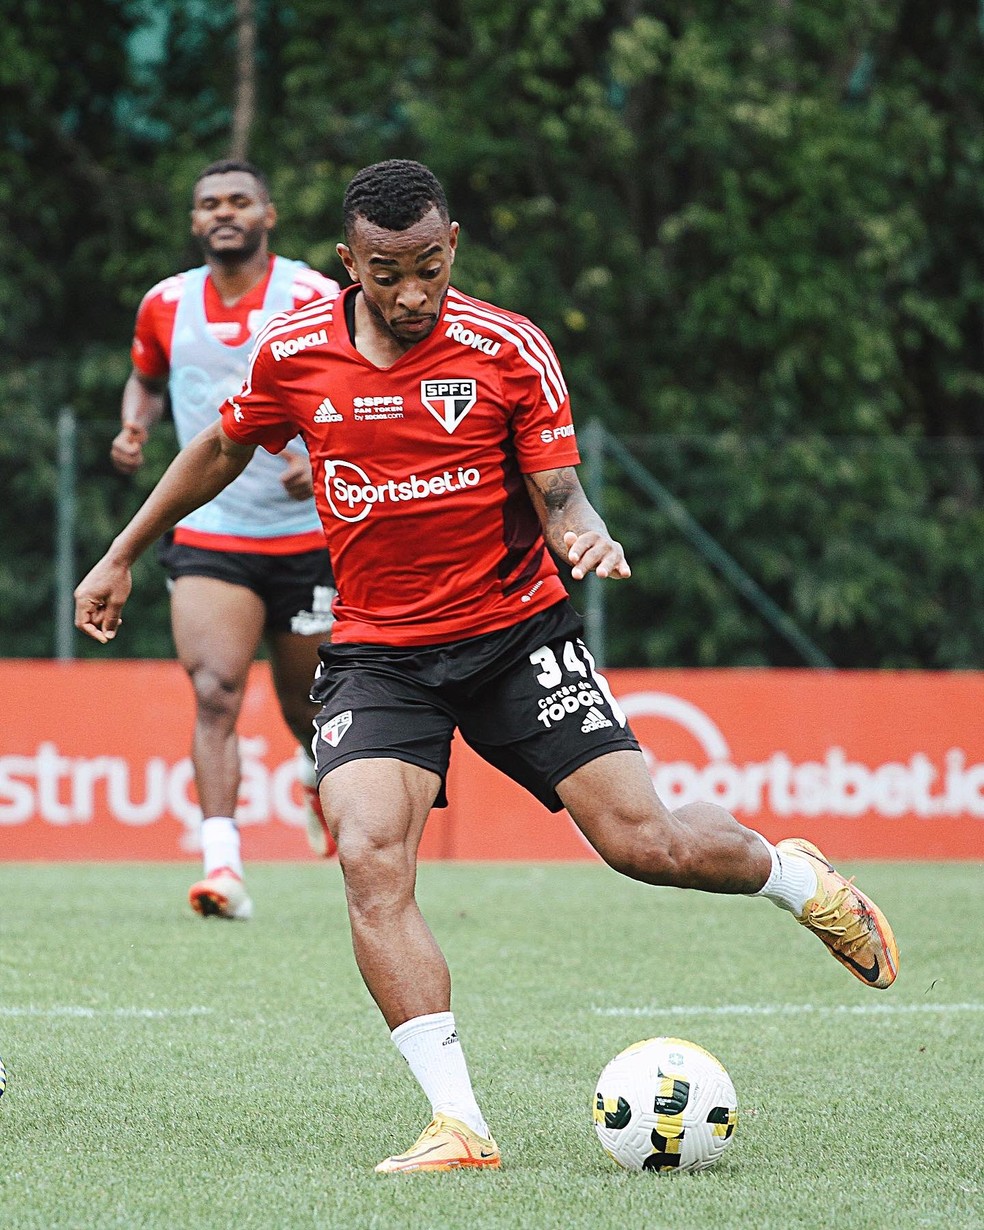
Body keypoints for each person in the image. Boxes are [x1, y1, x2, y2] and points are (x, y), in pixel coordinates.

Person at [77, 159, 899, 1171]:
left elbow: (560, 496)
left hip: (517, 636)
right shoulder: (294, 353)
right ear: (350, 264)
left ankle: (794, 878)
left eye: (430, 267)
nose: (412, 293)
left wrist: (588, 536)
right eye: (387, 275)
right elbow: (217, 449)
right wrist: (120, 551)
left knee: (646, 845)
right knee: (369, 857)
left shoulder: (509, 348)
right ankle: (459, 1122)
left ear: (453, 246)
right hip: (380, 652)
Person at [110, 159, 340, 922]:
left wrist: (322, 453)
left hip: (310, 539)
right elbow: (145, 374)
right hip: (211, 533)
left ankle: (315, 770)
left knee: (308, 706)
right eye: (210, 203)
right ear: (194, 221)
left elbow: (359, 390)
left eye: (239, 200)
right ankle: (223, 869)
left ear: (268, 214)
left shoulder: (310, 296)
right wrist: (136, 423)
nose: (224, 212)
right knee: (214, 694)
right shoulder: (165, 303)